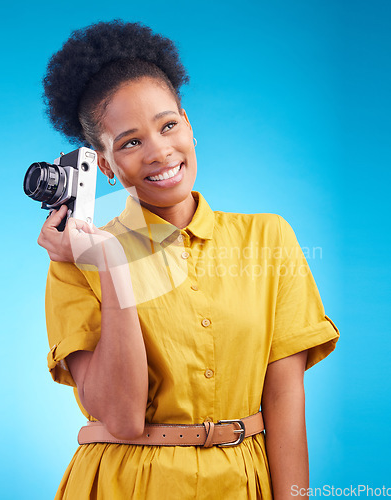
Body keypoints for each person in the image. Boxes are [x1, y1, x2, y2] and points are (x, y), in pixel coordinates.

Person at [36, 20, 340, 500]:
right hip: (127, 484)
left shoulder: (269, 238)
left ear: (188, 124)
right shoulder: (76, 261)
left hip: (244, 482)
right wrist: (112, 264)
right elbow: (122, 416)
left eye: (168, 125)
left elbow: (285, 401)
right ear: (106, 163)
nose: (159, 152)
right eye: (130, 141)